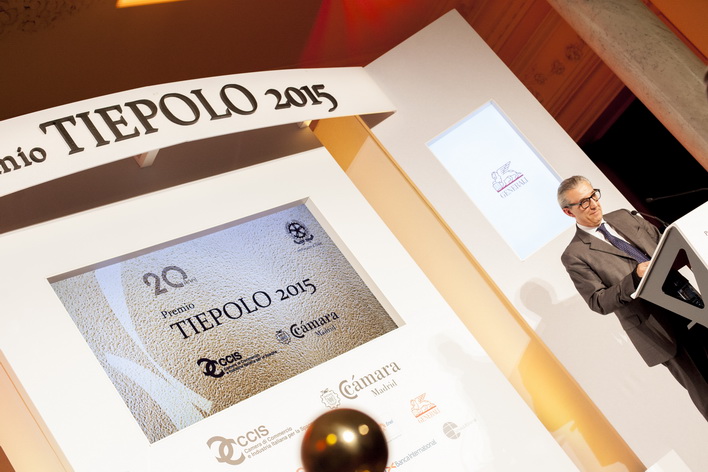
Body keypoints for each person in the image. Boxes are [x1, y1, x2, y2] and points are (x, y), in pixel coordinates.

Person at [558, 175, 708, 420]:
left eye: (593, 195)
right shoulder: (575, 254)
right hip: (661, 327)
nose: (593, 204)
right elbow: (598, 301)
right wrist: (635, 278)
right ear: (568, 212)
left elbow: (662, 243)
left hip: (690, 301)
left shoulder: (624, 216)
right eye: (583, 202)